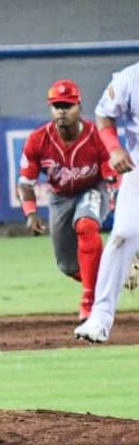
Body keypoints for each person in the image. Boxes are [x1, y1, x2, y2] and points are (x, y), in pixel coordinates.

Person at [17, 79, 115, 322]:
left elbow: (112, 175)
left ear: (79, 106)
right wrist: (30, 213)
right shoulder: (38, 139)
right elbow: (25, 182)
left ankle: (89, 303)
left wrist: (114, 200)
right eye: (57, 105)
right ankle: (115, 278)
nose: (62, 111)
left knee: (86, 225)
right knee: (68, 266)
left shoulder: (95, 136)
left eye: (67, 105)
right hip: (60, 198)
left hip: (93, 189)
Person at [75, 61, 139, 343]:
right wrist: (113, 149)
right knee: (123, 234)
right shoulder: (130, 79)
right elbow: (104, 115)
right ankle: (99, 318)